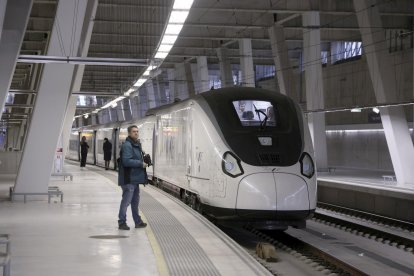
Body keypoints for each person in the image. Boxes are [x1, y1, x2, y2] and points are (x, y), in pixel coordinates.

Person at [117, 125, 148, 230]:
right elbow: (126, 161)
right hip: (128, 179)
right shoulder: (127, 145)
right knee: (126, 202)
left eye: (137, 131)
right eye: (134, 131)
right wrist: (140, 164)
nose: (136, 133)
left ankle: (137, 222)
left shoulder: (136, 145)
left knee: (135, 202)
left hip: (135, 179)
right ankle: (122, 222)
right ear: (129, 133)